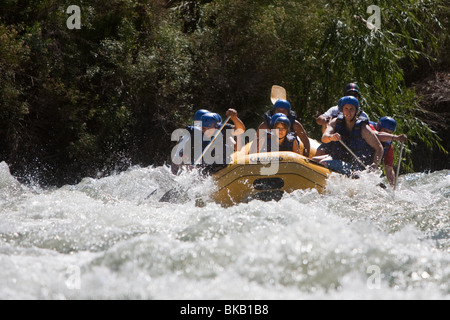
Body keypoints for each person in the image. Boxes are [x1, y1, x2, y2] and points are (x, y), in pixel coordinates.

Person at [312, 96, 383, 176]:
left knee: (323, 162)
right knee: (314, 160)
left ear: (356, 111)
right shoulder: (335, 122)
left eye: (351, 109)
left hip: (357, 167)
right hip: (339, 158)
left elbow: (379, 148)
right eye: (346, 108)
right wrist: (331, 137)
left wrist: (373, 166)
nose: (348, 112)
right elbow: (324, 138)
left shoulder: (363, 128)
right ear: (342, 110)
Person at [171, 109, 245, 175]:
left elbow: (241, 129)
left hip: (222, 163)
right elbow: (185, 156)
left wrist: (234, 118)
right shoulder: (194, 135)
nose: (205, 131)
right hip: (205, 166)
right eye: (203, 128)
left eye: (209, 129)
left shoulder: (222, 129)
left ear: (216, 127)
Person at [369, 116, 408, 186]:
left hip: (369, 168)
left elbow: (389, 169)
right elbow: (378, 135)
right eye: (385, 131)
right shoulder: (369, 127)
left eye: (389, 133)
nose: (387, 135)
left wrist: (393, 186)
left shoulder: (388, 146)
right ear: (378, 127)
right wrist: (396, 137)